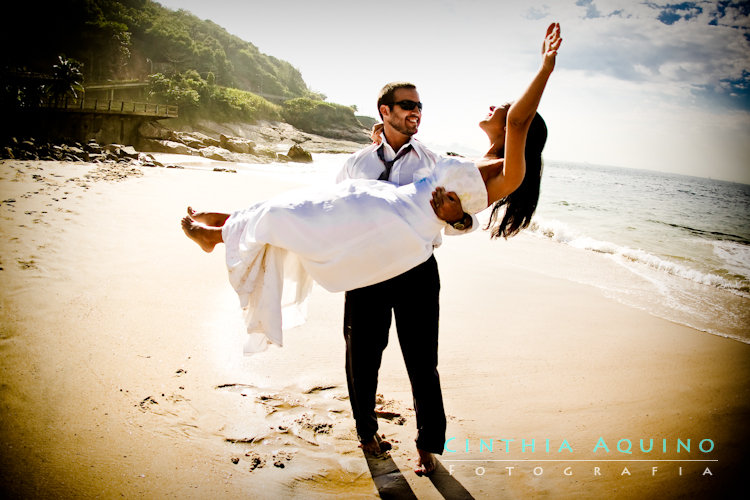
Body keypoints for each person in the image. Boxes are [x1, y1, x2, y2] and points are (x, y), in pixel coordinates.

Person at [182, 22, 561, 476]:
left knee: (423, 360)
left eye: (419, 106)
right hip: (369, 249)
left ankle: (428, 446)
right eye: (407, 105)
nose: (416, 111)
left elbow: (490, 172)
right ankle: (219, 231)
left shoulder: (483, 164)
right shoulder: (373, 161)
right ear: (386, 112)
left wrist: (546, 66)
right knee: (298, 219)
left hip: (413, 257)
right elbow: (331, 211)